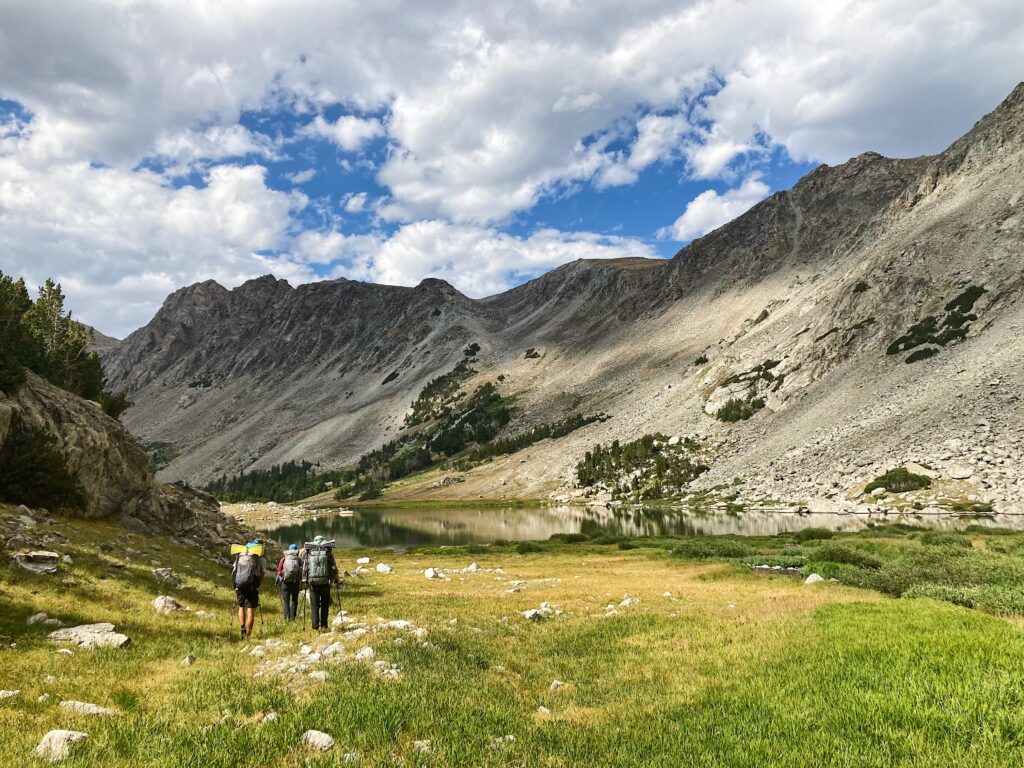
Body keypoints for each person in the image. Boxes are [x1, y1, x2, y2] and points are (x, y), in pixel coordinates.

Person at [302, 535, 339, 631]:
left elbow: (305, 568)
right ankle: (324, 625)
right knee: (325, 605)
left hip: (312, 583)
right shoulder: (327, 551)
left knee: (314, 605)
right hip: (325, 582)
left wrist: (304, 580)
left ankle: (315, 626)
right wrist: (336, 579)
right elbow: (334, 567)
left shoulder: (309, 552)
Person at [231, 539, 266, 640]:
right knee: (251, 609)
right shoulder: (260, 559)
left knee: (241, 606)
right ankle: (248, 635)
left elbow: (234, 571)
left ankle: (242, 628)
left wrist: (234, 584)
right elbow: (262, 573)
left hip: (240, 584)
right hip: (252, 585)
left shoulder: (240, 555)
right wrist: (258, 583)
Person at [275, 544, 303, 621]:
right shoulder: (299, 560)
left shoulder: (283, 559)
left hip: (285, 583)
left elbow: (279, 571)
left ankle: (286, 617)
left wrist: (277, 581)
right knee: (294, 600)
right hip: (295, 582)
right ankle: (293, 617)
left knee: (286, 601)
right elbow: (303, 569)